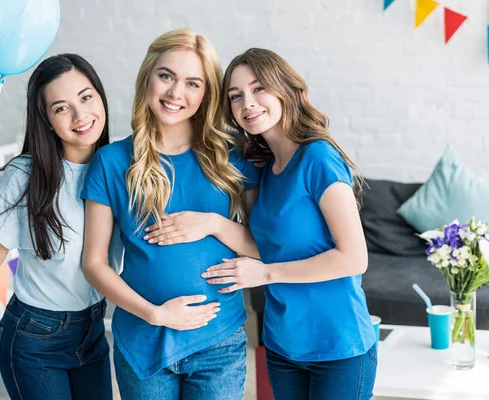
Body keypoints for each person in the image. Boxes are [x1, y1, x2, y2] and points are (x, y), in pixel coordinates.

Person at [81, 29, 260, 399]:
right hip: (143, 341)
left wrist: (212, 223)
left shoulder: (234, 155)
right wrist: (154, 314)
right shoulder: (112, 162)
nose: (176, 93)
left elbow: (263, 248)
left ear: (207, 92)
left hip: (219, 341)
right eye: (167, 76)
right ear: (148, 76)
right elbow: (94, 263)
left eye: (192, 83)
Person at [203, 48, 377, 400]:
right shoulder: (261, 167)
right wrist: (211, 223)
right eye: (235, 96)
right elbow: (264, 244)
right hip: (282, 345)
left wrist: (265, 273)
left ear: (285, 88)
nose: (246, 103)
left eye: (258, 88)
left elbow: (354, 258)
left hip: (339, 346)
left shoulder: (319, 157)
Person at [0, 53, 122, 400]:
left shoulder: (118, 165)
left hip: (93, 328)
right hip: (35, 336)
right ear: (46, 120)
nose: (80, 115)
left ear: (100, 97)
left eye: (86, 97)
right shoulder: (25, 175)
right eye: (61, 108)